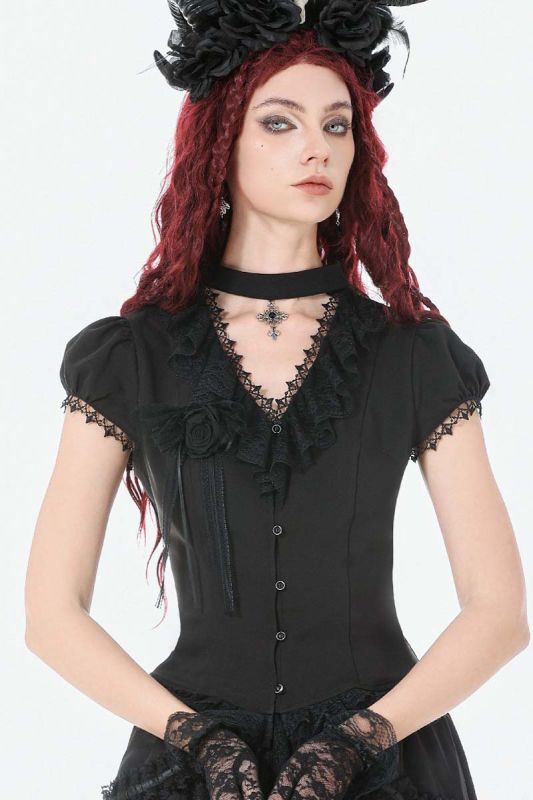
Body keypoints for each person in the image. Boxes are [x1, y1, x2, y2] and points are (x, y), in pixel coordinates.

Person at [25, 2, 529, 799]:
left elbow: (499, 612)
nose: (315, 148)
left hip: (386, 761)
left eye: (336, 126)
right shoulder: (129, 358)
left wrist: (357, 741)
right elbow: (51, 614)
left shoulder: (411, 355)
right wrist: (195, 737)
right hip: (192, 763)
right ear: (220, 140)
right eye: (279, 122)